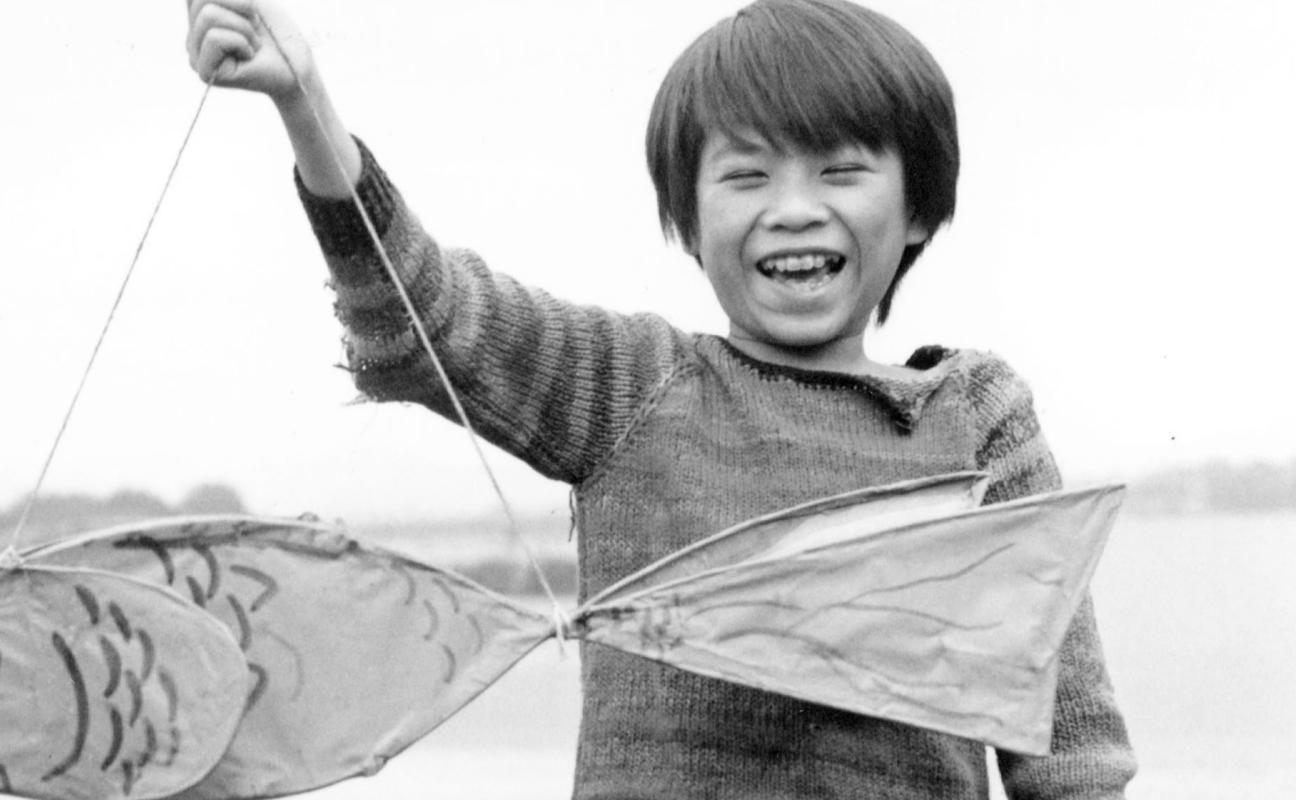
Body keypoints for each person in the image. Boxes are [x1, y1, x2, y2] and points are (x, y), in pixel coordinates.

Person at [180, 0, 1135, 797]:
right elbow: (425, 313)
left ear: (921, 204)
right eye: (746, 173)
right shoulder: (634, 386)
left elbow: (1073, 751)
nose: (794, 206)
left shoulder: (977, 419)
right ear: (687, 216)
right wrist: (302, 100)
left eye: (842, 169)